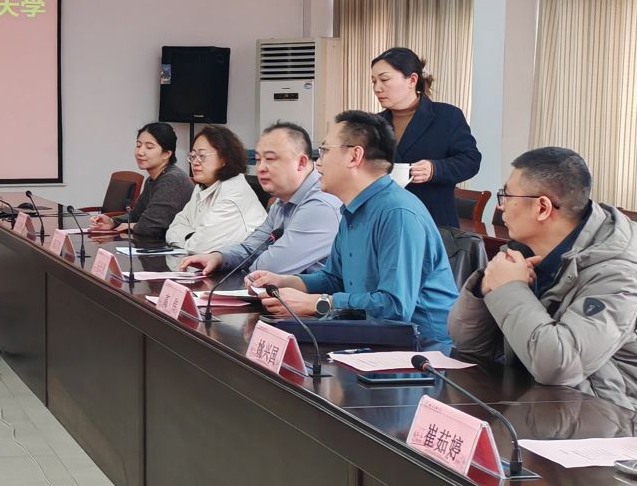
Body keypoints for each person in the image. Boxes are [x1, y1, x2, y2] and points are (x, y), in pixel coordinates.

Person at [446, 147, 637, 416]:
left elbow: (559, 366)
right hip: (545, 405)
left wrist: (508, 289)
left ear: (542, 207)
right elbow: (469, 345)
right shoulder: (525, 249)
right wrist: (486, 288)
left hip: (622, 417)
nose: (500, 205)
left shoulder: (619, 275)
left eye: (506, 195)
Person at [248, 111, 457, 348]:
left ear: (354, 156)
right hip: (366, 336)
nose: (318, 163)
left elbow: (394, 308)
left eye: (325, 150)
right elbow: (334, 279)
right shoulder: (351, 209)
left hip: (420, 350)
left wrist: (316, 303)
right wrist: (286, 281)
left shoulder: (397, 213)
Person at [180, 121, 341, 280]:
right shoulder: (282, 201)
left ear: (301, 162)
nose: (261, 168)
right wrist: (219, 258)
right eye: (258, 159)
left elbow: (271, 267)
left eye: (270, 159)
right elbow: (251, 248)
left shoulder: (320, 205)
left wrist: (247, 263)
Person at [371, 47, 481, 231]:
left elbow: (471, 161)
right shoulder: (373, 124)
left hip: (433, 223)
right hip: (385, 222)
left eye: (384, 79)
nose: (377, 88)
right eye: (374, 81)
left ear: (412, 80)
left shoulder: (447, 116)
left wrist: (435, 169)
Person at [166, 125, 268, 255]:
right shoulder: (201, 187)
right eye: (193, 155)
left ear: (224, 158)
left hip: (246, 266)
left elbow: (199, 247)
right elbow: (174, 227)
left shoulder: (233, 194)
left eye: (202, 155)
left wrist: (189, 238)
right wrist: (192, 237)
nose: (195, 162)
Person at [90, 122, 192, 244]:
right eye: (138, 145)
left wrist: (133, 225)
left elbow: (149, 227)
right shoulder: (153, 179)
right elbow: (136, 215)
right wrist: (112, 221)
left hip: (175, 249)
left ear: (166, 154)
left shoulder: (172, 179)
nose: (140, 152)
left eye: (149, 147)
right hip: (155, 244)